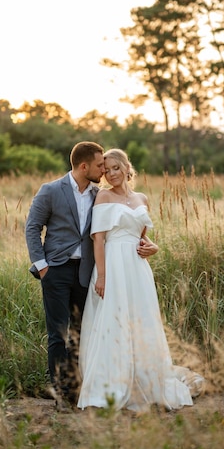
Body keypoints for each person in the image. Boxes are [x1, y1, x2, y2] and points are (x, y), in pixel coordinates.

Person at [77, 148, 205, 413]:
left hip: (137, 269)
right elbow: (98, 239)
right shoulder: (103, 196)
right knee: (114, 320)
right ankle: (112, 385)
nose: (110, 174)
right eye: (106, 169)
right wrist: (102, 276)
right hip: (112, 265)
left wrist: (154, 247)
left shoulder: (142, 198)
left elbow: (142, 237)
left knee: (141, 320)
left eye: (115, 168)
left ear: (126, 167)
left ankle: (146, 382)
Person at [25, 141, 105, 412]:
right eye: (99, 165)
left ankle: (76, 389)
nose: (103, 169)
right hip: (56, 271)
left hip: (85, 273)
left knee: (80, 333)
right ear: (84, 166)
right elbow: (32, 228)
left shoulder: (99, 194)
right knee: (58, 333)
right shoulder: (50, 190)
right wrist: (42, 266)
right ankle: (60, 393)